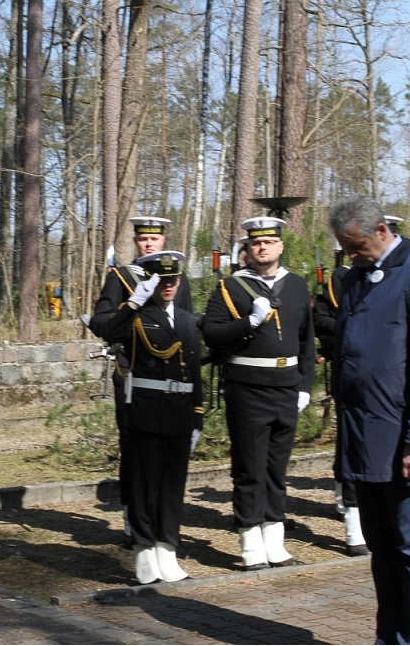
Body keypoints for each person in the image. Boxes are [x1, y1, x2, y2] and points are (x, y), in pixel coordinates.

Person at [329, 194, 410, 645]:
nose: (350, 255)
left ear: (381, 231)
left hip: (405, 444)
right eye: (345, 248)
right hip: (364, 440)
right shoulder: (357, 278)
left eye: (356, 245)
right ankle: (390, 638)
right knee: (382, 551)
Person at [202, 217, 315, 571]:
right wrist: (248, 322)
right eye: (256, 243)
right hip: (248, 388)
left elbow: (307, 341)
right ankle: (251, 547)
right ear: (247, 249)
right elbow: (211, 333)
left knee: (276, 470)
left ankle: (276, 545)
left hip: (286, 388)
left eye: (269, 242)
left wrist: (305, 387)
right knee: (250, 468)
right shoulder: (230, 288)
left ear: (281, 246)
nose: (262, 247)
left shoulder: (296, 285)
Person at [97, 251, 202, 583]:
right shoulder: (138, 318)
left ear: (180, 281)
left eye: (173, 280)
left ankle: (166, 550)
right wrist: (132, 304)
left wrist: (197, 415)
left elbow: (195, 371)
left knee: (172, 486)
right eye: (161, 280)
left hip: (180, 411)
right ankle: (144, 551)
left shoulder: (186, 319)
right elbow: (109, 333)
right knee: (145, 484)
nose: (168, 286)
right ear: (150, 282)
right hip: (145, 408)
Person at [88, 216, 192, 545]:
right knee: (134, 447)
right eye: (143, 239)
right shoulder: (121, 277)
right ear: (136, 242)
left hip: (171, 378)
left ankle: (160, 519)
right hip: (133, 373)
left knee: (169, 450)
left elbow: (186, 327)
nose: (149, 244)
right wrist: (133, 303)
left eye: (154, 239)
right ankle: (134, 515)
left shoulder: (178, 278)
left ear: (164, 241)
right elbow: (102, 323)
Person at [312, 244, 368, 557]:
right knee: (351, 444)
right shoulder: (341, 279)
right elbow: (323, 320)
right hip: (352, 370)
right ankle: (353, 523)